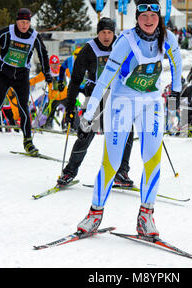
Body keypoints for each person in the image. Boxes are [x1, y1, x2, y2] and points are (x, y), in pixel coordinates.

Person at [75, 0, 182, 237]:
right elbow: (105, 79)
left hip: (151, 103)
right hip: (122, 102)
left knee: (152, 160)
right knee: (111, 163)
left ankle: (146, 217)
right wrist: (89, 112)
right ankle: (94, 214)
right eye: (143, 16)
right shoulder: (125, 41)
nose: (148, 20)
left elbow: (177, 66)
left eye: (153, 16)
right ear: (137, 18)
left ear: (159, 18)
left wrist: (176, 98)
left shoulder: (169, 39)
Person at [57, 18, 136, 187]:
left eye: (109, 32)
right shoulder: (88, 50)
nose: (106, 36)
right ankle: (69, 172)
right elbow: (75, 81)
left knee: (127, 131)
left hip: (119, 97)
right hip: (95, 98)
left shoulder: (122, 46)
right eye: (103, 33)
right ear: (97, 33)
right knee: (85, 134)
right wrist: (70, 108)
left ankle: (121, 172)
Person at [0, 8, 51, 154]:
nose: (24, 25)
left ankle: (28, 141)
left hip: (22, 76)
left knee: (23, 108)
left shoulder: (34, 36)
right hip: (4, 74)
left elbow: (43, 54)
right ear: (17, 21)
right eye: (22, 22)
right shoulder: (6, 32)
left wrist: (47, 72)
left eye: (27, 22)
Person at [30, 55, 67, 129]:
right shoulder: (47, 72)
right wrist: (28, 83)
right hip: (53, 97)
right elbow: (36, 79)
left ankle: (67, 125)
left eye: (56, 64)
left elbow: (73, 73)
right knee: (50, 112)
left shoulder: (63, 69)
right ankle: (48, 125)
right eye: (53, 64)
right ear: (50, 64)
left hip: (64, 96)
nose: (55, 66)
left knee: (70, 110)